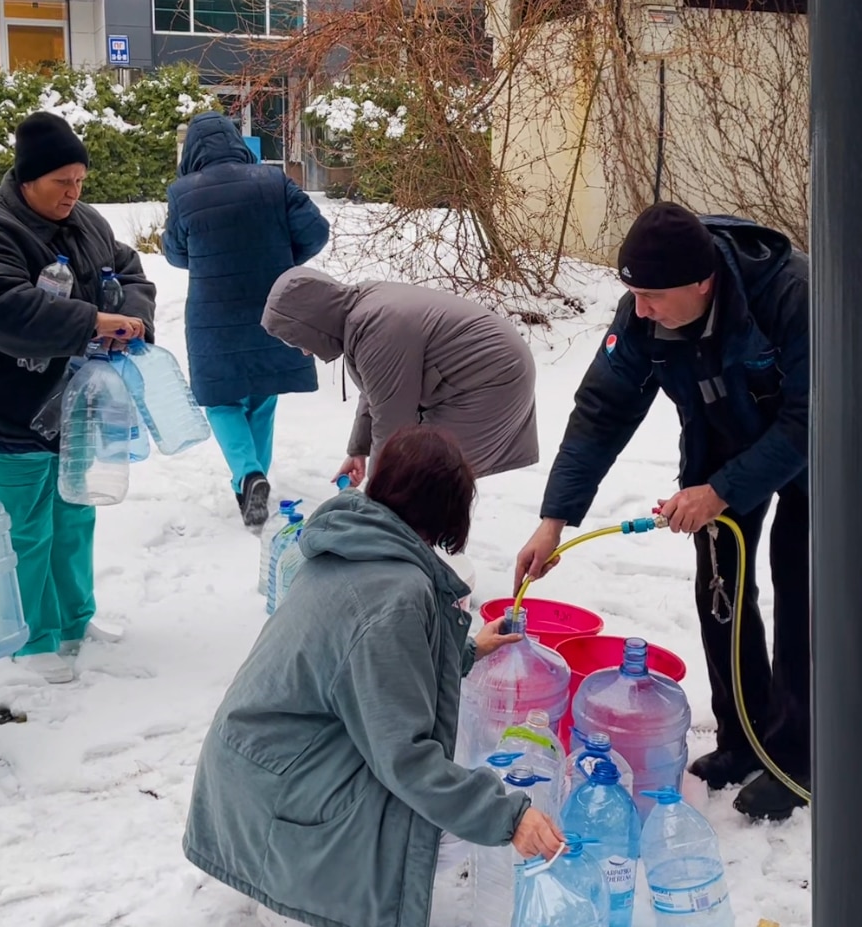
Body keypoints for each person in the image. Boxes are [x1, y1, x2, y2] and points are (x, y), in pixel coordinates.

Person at [184, 426, 565, 927]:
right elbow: (403, 757)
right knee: (415, 809)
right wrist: (509, 817)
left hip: (254, 774)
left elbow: (366, 669)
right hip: (281, 800)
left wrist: (467, 651)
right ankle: (298, 903)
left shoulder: (349, 548)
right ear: (449, 508)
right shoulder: (396, 593)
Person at [514, 203, 810, 822]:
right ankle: (742, 738)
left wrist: (722, 490)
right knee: (720, 593)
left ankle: (794, 757)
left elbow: (812, 420)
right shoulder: (644, 314)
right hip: (721, 444)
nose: (639, 308)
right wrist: (554, 519)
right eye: (633, 294)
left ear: (703, 282)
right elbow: (602, 411)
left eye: (651, 295)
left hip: (815, 449)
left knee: (803, 588)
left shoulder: (790, 296)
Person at [0, 111, 156, 685]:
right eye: (60, 182)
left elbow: (132, 273)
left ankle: (73, 620)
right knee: (23, 529)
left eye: (80, 180)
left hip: (76, 408)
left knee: (74, 517)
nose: (73, 193)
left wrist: (132, 322)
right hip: (6, 409)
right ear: (26, 179)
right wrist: (95, 321)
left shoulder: (86, 220)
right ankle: (29, 638)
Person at [162, 110, 331, 527]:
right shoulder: (273, 181)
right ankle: (254, 481)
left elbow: (173, 252)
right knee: (262, 393)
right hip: (273, 305)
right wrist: (278, 261)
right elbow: (316, 230)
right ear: (237, 143)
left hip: (212, 311)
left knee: (221, 398)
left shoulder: (183, 193)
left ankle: (249, 476)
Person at [261, 266, 539, 487]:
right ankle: (420, 543)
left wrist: (377, 490)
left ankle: (425, 549)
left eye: (299, 341)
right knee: (418, 478)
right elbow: (375, 392)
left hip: (490, 381)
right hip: (482, 375)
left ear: (311, 323)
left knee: (426, 472)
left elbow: (393, 421)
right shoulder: (360, 310)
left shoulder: (375, 326)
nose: (305, 352)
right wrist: (359, 449)